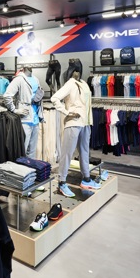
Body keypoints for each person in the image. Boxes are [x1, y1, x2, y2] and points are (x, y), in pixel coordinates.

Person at [50, 69, 100, 198]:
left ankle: (86, 178)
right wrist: (67, 112)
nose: (77, 71)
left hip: (86, 122)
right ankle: (62, 182)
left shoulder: (84, 83)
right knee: (67, 153)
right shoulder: (70, 84)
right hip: (73, 122)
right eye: (75, 68)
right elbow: (54, 98)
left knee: (84, 152)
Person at [3, 66, 43, 159]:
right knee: (23, 149)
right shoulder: (19, 79)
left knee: (32, 151)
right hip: (25, 118)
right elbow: (7, 96)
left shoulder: (36, 79)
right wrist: (14, 110)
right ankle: (21, 167)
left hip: (35, 118)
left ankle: (31, 167)